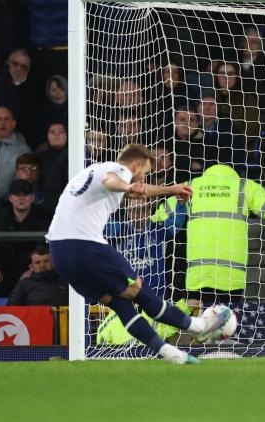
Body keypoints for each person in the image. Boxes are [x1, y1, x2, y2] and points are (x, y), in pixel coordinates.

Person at [46, 143, 232, 365]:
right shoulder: (117, 170)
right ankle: (200, 326)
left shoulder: (90, 172)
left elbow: (137, 192)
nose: (143, 179)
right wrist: (128, 187)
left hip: (59, 253)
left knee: (119, 303)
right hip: (83, 245)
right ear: (135, 166)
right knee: (135, 288)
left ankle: (172, 354)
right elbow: (112, 181)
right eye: (144, 173)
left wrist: (171, 190)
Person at [151, 162, 265, 306]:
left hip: (199, 273)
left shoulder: (191, 186)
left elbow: (160, 215)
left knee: (198, 326)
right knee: (227, 326)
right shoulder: (244, 186)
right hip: (232, 275)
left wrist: (145, 225)